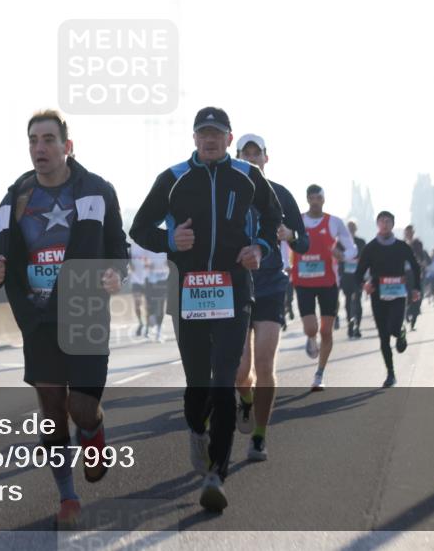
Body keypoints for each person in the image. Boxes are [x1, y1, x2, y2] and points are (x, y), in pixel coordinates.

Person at [0, 109, 128, 529]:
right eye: (33, 140)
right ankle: (67, 496)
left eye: (48, 139)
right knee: (51, 407)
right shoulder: (15, 197)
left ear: (68, 146)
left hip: (84, 312)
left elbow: (119, 247)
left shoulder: (96, 191)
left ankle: (93, 432)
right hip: (38, 317)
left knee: (81, 407)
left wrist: (116, 274)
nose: (39, 148)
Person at [131, 107, 281, 512]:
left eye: (217, 133)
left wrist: (259, 248)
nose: (210, 139)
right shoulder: (173, 178)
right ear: (194, 139)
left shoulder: (249, 177)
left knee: (225, 380)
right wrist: (169, 241)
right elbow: (139, 228)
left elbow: (273, 220)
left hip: (234, 291)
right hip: (188, 293)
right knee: (198, 384)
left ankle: (217, 473)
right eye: (203, 133)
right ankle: (197, 429)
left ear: (229, 139)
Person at [232, 134, 308, 462]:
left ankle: (260, 436)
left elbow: (304, 242)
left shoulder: (281, 194)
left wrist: (291, 234)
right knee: (240, 372)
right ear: (236, 157)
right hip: (235, 287)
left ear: (266, 158)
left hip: (271, 287)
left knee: (264, 363)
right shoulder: (227, 193)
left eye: (256, 153)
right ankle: (246, 400)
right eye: (245, 153)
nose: (251, 158)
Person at [290, 185, 356, 391]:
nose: (315, 201)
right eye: (312, 198)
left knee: (326, 331)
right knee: (311, 328)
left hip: (328, 283)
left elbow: (352, 247)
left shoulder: (334, 222)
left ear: (323, 199)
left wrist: (343, 255)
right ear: (307, 199)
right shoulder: (297, 221)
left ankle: (319, 374)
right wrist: (285, 264)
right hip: (303, 282)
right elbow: (285, 243)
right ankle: (311, 338)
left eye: (318, 198)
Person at [355, 211, 422, 387]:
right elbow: (359, 272)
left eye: (388, 221)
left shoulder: (401, 246)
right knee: (383, 336)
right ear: (377, 224)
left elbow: (415, 267)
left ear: (393, 224)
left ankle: (400, 333)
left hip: (398, 294)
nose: (384, 224)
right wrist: (364, 285)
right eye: (382, 221)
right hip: (378, 294)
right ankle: (390, 373)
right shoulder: (370, 248)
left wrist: (416, 288)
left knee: (393, 328)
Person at [338, 219, 368, 339]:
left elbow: (366, 258)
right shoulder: (340, 243)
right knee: (348, 300)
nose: (351, 230)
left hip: (358, 276)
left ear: (356, 229)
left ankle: (357, 327)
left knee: (358, 300)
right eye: (349, 228)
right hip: (346, 276)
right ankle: (350, 324)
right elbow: (337, 258)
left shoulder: (361, 242)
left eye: (353, 227)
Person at [403, 225, 430, 331]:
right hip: (405, 275)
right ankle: (408, 312)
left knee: (418, 297)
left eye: (410, 232)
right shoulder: (401, 244)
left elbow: (423, 258)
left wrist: (421, 263)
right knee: (408, 296)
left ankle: (413, 320)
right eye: (407, 232)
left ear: (413, 233)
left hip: (417, 274)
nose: (409, 234)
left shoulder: (417, 243)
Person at [144, 250, 170, 342]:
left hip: (162, 280)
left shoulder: (166, 249)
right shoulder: (148, 248)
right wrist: (148, 265)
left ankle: (158, 332)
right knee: (150, 306)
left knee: (160, 305)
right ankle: (150, 327)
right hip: (150, 280)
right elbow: (145, 262)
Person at [129, 242, 150, 336]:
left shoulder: (147, 245)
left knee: (148, 306)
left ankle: (147, 327)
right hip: (135, 281)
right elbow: (129, 262)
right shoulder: (132, 247)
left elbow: (151, 262)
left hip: (147, 280)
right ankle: (141, 323)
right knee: (137, 304)